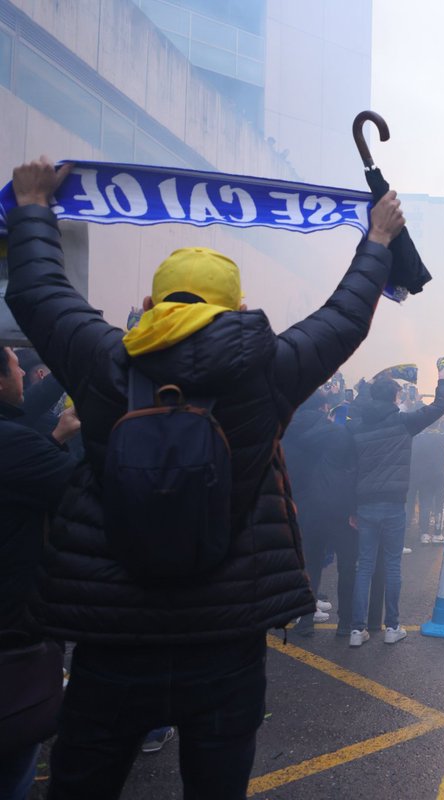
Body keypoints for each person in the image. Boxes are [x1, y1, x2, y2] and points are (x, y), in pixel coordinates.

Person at [2, 156, 408, 799]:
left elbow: (39, 294)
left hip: (114, 638)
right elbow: (343, 319)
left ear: (147, 305)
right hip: (226, 642)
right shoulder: (267, 371)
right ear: (238, 308)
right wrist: (377, 241)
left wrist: (31, 207)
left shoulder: (104, 361)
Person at [0, 346, 79, 800]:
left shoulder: (20, 442)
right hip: (12, 632)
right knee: (13, 767)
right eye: (16, 369)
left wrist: (53, 438)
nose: (26, 379)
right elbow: (87, 492)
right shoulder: (15, 444)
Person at [348, 367, 444, 647]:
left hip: (365, 503)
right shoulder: (403, 423)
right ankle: (392, 626)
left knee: (364, 566)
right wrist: (442, 377)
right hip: (394, 503)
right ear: (395, 397)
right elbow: (440, 406)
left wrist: (352, 508)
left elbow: (351, 468)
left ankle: (356, 630)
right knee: (392, 565)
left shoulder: (357, 424)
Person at [282, 390, 359, 638]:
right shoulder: (337, 432)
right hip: (337, 507)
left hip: (303, 507)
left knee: (310, 565)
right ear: (324, 407)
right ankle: (345, 623)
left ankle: (305, 622)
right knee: (347, 566)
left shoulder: (286, 434)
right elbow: (351, 468)